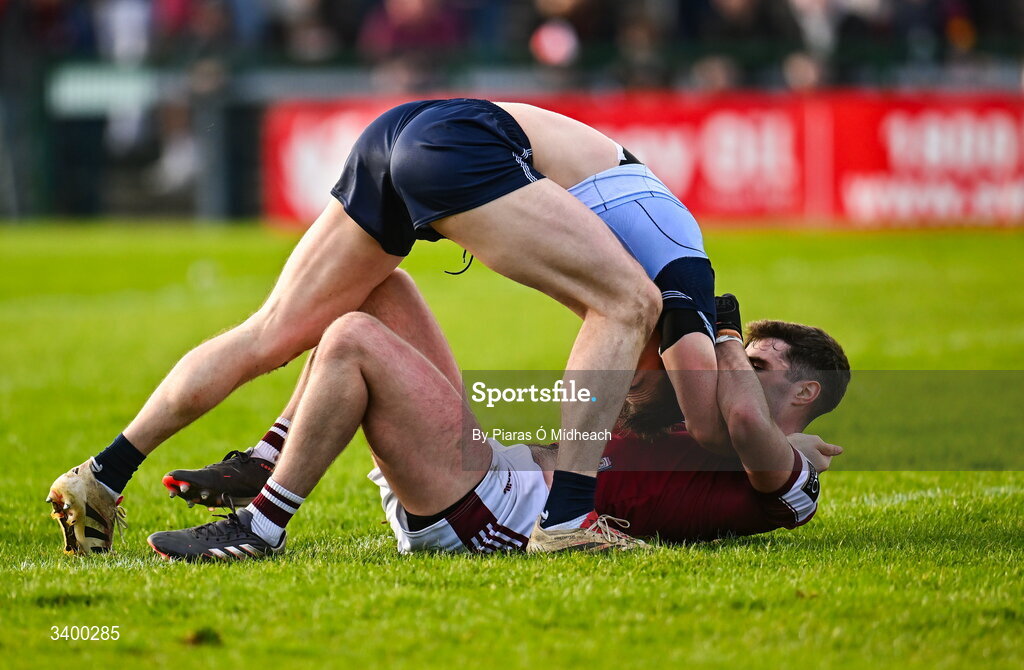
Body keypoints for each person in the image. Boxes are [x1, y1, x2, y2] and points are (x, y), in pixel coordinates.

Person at [47, 98, 723, 553]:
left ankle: (104, 473)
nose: (629, 405)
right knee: (632, 307)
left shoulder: (648, 221)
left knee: (275, 329)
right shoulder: (688, 278)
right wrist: (777, 443)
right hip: (469, 143)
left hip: (408, 128)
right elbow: (707, 408)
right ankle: (572, 519)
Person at [144, 273, 848, 560]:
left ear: (805, 395)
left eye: (759, 368)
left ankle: (262, 525)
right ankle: (268, 454)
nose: (736, 374)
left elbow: (753, 427)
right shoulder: (703, 422)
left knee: (354, 342)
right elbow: (632, 388)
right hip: (489, 470)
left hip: (503, 518)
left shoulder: (788, 475)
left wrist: (723, 336)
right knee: (380, 288)